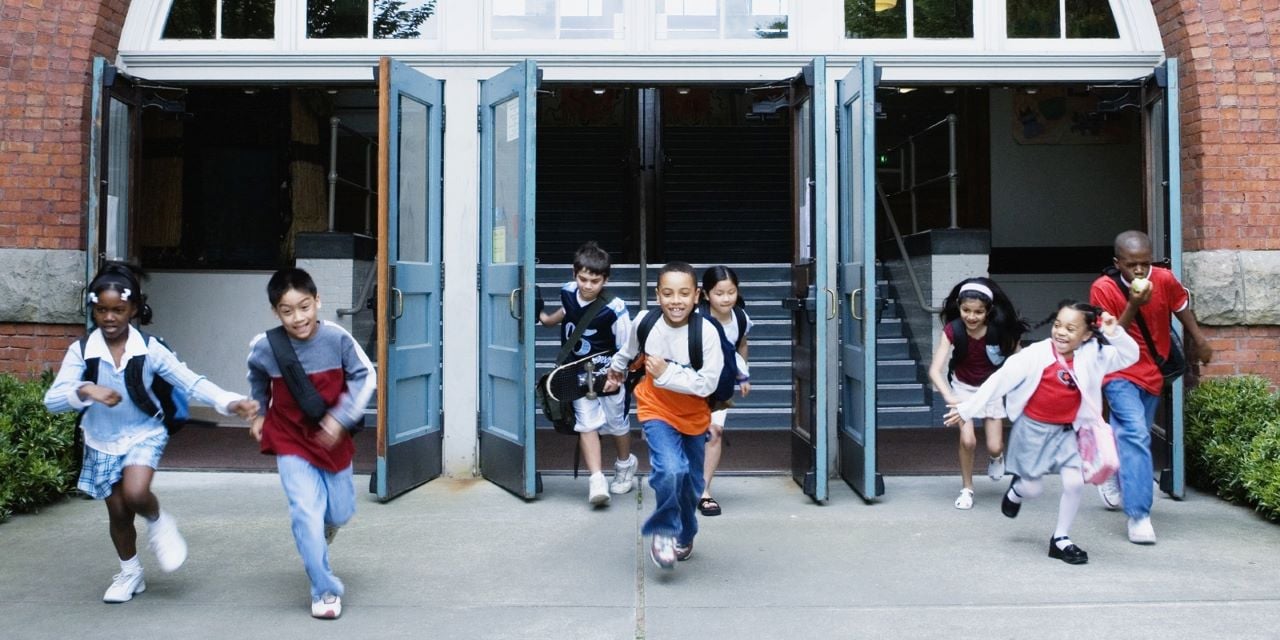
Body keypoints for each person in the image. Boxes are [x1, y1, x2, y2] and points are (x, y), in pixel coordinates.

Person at [43, 261, 259, 603]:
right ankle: (130, 573)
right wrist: (86, 390)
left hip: (145, 432)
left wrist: (230, 402)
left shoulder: (150, 348)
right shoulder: (82, 350)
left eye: (118, 310)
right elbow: (52, 400)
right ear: (93, 311)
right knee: (118, 511)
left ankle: (159, 522)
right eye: (102, 310)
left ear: (134, 309)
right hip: (100, 439)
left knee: (136, 492)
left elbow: (191, 382)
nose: (110, 317)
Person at [944, 301, 1138, 565]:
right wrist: (967, 409)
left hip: (1069, 432)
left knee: (1073, 482)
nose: (1060, 332)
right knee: (1033, 488)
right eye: (1057, 325)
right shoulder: (1035, 355)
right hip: (1033, 431)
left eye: (1071, 328)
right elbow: (998, 382)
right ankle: (1017, 491)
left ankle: (1060, 539)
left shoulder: (1094, 355)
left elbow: (1130, 357)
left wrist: (1116, 333)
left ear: (1087, 335)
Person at [246, 268, 377, 619]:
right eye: (287, 311)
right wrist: (258, 413)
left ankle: (324, 529)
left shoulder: (337, 339)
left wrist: (341, 417)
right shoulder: (265, 346)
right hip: (289, 438)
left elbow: (367, 376)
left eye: (304, 307)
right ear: (276, 312)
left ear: (317, 301)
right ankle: (324, 590)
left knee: (340, 512)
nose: (298, 317)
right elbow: (256, 376)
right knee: (305, 512)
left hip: (332, 438)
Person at [1089, 230, 1214, 544]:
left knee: (1133, 437)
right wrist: (1132, 304)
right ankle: (1139, 514)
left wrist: (1199, 339)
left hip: (1152, 373)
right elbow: (1110, 335)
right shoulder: (1102, 289)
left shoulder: (1165, 278)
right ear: (1118, 263)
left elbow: (1181, 304)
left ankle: (1115, 475)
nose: (1140, 271)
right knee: (1134, 433)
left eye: (1145, 263)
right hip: (1118, 373)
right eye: (1132, 265)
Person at [605, 261, 724, 569]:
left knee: (690, 484)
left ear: (697, 296)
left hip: (695, 416)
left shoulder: (707, 332)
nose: (676, 300)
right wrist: (616, 371)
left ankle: (685, 533)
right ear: (657, 295)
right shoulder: (645, 322)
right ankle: (664, 529)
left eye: (684, 293)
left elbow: (707, 384)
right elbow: (628, 351)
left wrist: (667, 373)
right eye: (668, 293)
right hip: (655, 409)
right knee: (670, 469)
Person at [538, 242, 637, 506]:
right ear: (574, 274)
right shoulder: (567, 292)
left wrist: (618, 375)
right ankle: (596, 480)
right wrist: (547, 319)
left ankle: (625, 465)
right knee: (586, 423)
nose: (587, 285)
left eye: (595, 280)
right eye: (583, 278)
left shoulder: (615, 309)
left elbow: (628, 346)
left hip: (608, 376)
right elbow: (568, 313)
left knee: (617, 425)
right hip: (576, 373)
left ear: (606, 279)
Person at [926, 277, 1029, 510]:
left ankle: (996, 458)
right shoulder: (953, 330)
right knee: (968, 439)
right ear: (959, 308)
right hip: (962, 388)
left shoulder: (999, 330)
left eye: (978, 312)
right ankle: (967, 488)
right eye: (966, 310)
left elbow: (1020, 360)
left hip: (991, 389)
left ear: (988, 311)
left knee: (995, 446)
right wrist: (949, 396)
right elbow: (935, 369)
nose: (971, 317)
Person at [695, 265, 752, 517]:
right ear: (706, 295)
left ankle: (703, 490)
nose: (726, 298)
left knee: (715, 432)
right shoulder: (694, 318)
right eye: (719, 293)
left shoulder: (740, 317)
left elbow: (741, 345)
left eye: (731, 292)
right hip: (693, 384)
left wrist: (743, 375)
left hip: (722, 384)